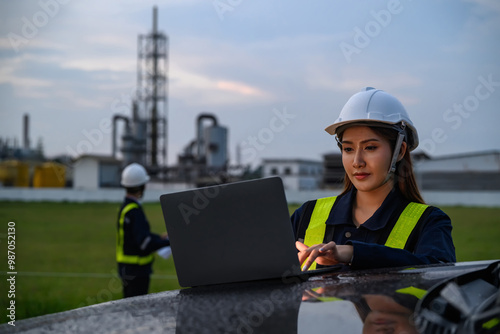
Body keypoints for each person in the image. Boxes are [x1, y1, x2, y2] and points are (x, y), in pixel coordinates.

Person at [292, 87, 456, 271]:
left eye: (370, 147)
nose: (357, 162)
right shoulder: (306, 215)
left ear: (399, 151)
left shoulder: (429, 222)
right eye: (348, 149)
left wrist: (352, 253)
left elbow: (440, 275)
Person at [116, 162, 170, 298]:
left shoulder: (126, 208)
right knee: (136, 313)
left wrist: (159, 238)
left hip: (127, 269)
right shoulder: (135, 211)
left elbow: (138, 236)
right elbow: (145, 243)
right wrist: (169, 242)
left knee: (130, 309)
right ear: (142, 186)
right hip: (137, 272)